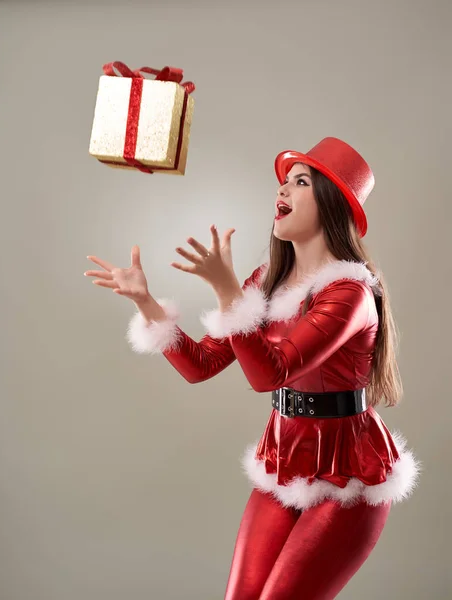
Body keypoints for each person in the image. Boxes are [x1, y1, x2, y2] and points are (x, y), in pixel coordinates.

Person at [84, 137, 420, 600]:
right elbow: (200, 365)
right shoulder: (264, 284)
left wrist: (228, 295)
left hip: (349, 473)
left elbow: (270, 373)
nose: (282, 191)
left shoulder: (350, 293)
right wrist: (146, 303)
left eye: (299, 182)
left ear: (331, 204)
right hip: (284, 459)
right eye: (282, 182)